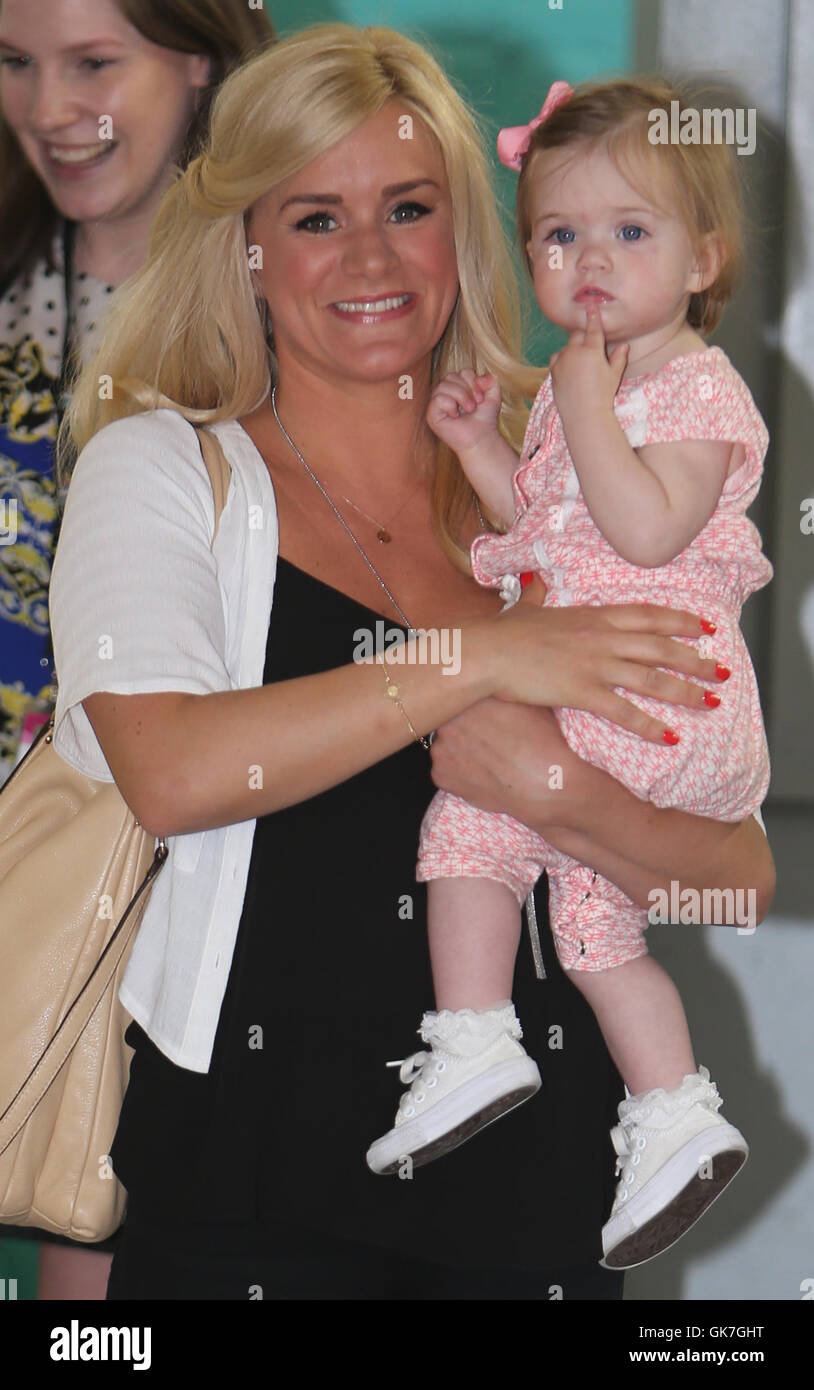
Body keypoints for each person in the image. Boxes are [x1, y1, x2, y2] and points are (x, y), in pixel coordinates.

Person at [47, 25, 774, 1301]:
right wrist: (484, 656)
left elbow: (738, 873)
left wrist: (563, 797)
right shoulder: (163, 469)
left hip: (541, 1197)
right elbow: (168, 770)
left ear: (463, 230)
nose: (372, 258)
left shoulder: (563, 476)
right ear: (246, 244)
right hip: (246, 1195)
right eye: (317, 217)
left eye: (409, 208)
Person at [366, 78, 773, 1273]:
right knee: (597, 934)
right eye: (558, 234)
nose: (588, 260)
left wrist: (581, 403)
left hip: (660, 690)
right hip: (620, 707)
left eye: (628, 232)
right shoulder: (577, 392)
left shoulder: (694, 388)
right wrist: (482, 446)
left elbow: (642, 532)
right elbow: (550, 534)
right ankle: (673, 1118)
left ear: (702, 258)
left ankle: (474, 1032)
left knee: (468, 822)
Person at [0, 0, 274, 1298]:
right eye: (12, 62)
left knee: (93, 1247)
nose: (52, 106)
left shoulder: (287, 301)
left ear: (203, 57)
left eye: (94, 62)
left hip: (139, 868)